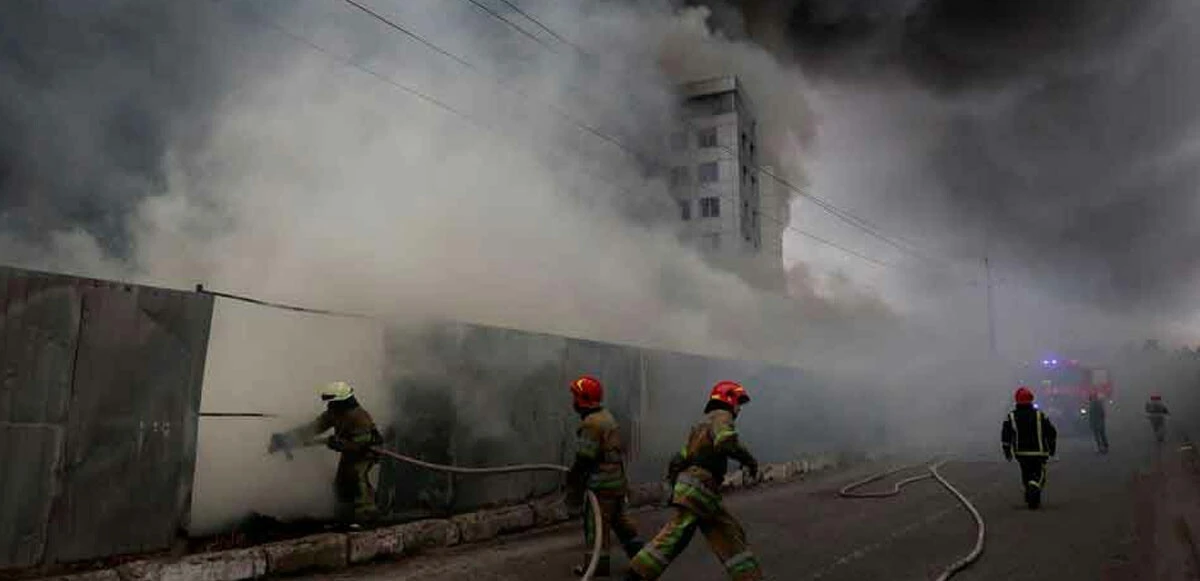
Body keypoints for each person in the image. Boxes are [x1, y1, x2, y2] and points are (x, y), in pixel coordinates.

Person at [625, 381, 763, 581]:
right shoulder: (722, 416)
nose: (739, 408)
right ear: (729, 399)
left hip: (700, 491)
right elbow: (725, 440)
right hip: (700, 489)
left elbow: (678, 459)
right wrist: (749, 460)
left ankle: (750, 577)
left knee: (728, 532)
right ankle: (636, 574)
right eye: (738, 403)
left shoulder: (700, 428)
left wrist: (674, 484)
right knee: (676, 534)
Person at [269, 381, 383, 526]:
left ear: (343, 401)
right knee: (342, 483)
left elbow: (359, 444)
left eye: (332, 402)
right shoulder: (334, 413)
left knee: (356, 478)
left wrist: (339, 443)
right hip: (349, 451)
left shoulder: (360, 418)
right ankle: (345, 516)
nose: (329, 405)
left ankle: (367, 515)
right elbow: (314, 428)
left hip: (365, 452)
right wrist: (288, 437)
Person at [566, 375, 645, 577]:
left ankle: (597, 567)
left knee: (596, 526)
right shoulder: (606, 416)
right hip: (617, 481)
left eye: (575, 397)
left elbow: (585, 458)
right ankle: (644, 560)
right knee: (621, 523)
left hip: (601, 485)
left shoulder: (591, 424)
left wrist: (573, 480)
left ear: (583, 399)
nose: (573, 402)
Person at [1001, 386, 1058, 510]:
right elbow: (1051, 432)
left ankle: (1030, 490)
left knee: (1026, 473)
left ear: (1016, 400)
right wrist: (1052, 447)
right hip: (1039, 452)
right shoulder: (1039, 415)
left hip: (1021, 453)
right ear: (1031, 400)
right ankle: (1033, 488)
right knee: (1039, 475)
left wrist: (1007, 452)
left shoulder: (1011, 417)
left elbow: (1006, 436)